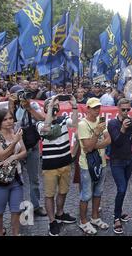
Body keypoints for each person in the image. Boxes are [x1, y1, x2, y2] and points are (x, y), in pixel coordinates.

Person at [37, 96, 78, 236]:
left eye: (56, 104)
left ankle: (60, 214)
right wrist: (49, 110)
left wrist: (74, 106)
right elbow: (47, 129)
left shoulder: (64, 119)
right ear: (45, 108)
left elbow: (75, 123)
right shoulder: (40, 124)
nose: (55, 106)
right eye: (52, 104)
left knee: (63, 191)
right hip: (50, 167)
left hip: (65, 163)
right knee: (49, 195)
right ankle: (52, 221)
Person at [8, 85, 47, 217]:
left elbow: (42, 118)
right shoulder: (9, 107)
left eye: (22, 93)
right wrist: (11, 107)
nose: (21, 97)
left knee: (34, 178)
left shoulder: (32, 104)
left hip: (32, 145)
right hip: (15, 147)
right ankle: (17, 207)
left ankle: (36, 206)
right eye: (18, 95)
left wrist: (28, 108)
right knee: (15, 179)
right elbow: (8, 125)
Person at [0, 110, 27, 236]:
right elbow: (0, 155)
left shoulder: (15, 132)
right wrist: (14, 142)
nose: (9, 121)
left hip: (16, 178)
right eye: (5, 119)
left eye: (10, 118)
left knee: (16, 210)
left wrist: (13, 157)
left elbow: (24, 152)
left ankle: (16, 234)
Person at [77, 98, 111, 235]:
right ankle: (83, 221)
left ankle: (95, 217)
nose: (97, 110)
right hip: (87, 165)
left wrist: (93, 146)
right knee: (86, 194)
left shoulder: (101, 120)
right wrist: (97, 133)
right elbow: (87, 148)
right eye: (94, 107)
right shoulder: (82, 124)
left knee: (98, 192)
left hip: (101, 162)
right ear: (88, 109)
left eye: (99, 107)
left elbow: (108, 140)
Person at [107, 98, 132, 234]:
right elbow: (117, 141)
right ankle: (116, 217)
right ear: (118, 108)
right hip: (116, 161)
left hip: (128, 160)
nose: (126, 112)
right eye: (123, 109)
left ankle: (119, 212)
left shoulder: (130, 121)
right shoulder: (113, 123)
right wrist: (123, 128)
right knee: (121, 188)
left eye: (128, 109)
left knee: (124, 189)